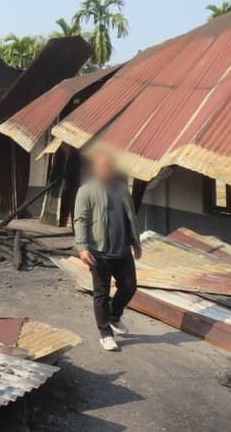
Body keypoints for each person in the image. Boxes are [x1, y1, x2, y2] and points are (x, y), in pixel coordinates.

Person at [74, 150, 141, 352]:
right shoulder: (86, 191)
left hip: (122, 250)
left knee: (129, 286)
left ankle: (113, 316)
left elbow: (130, 218)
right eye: (103, 166)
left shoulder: (122, 190)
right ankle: (105, 333)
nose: (107, 169)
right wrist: (82, 247)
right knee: (101, 293)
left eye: (110, 166)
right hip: (99, 251)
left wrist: (135, 242)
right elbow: (80, 220)